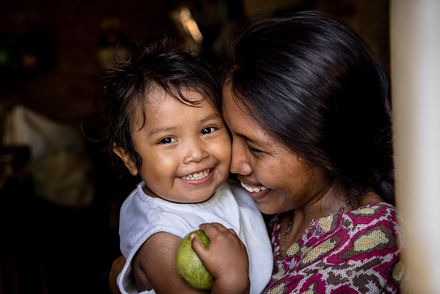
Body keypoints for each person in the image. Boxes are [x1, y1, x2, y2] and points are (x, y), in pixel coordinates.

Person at [110, 11, 403, 293]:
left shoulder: (367, 244)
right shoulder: (268, 205)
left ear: (321, 144)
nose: (234, 165)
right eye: (231, 133)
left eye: (255, 148)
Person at [101, 40, 272, 294]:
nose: (196, 154)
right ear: (128, 158)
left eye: (208, 129)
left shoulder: (224, 182)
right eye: (167, 140)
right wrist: (231, 280)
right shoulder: (160, 239)